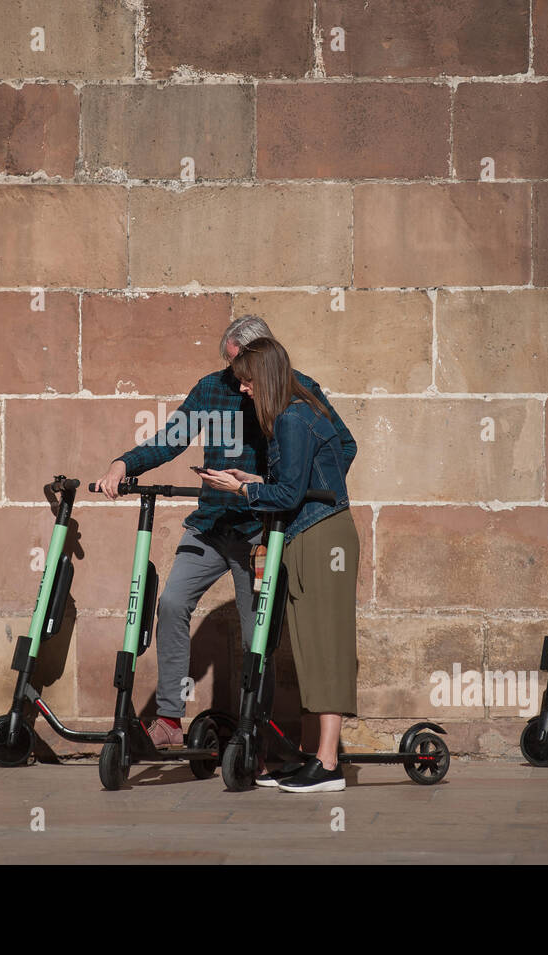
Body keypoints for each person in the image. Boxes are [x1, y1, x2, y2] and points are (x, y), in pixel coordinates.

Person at [95, 316, 356, 772]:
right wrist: (123, 463)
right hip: (212, 523)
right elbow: (171, 440)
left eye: (242, 367)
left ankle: (255, 730)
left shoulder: (297, 392)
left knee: (258, 634)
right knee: (172, 603)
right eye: (231, 366)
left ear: (264, 359)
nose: (237, 380)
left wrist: (295, 492)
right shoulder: (212, 388)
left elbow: (343, 447)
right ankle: (170, 719)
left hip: (260, 526)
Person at [200, 336, 359, 793]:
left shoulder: (292, 417)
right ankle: (317, 757)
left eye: (247, 382)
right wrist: (257, 480)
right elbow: (300, 478)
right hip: (309, 531)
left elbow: (290, 494)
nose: (244, 390)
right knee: (310, 646)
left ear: (264, 378)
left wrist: (243, 492)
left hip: (321, 534)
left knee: (326, 644)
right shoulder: (297, 413)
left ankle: (328, 765)